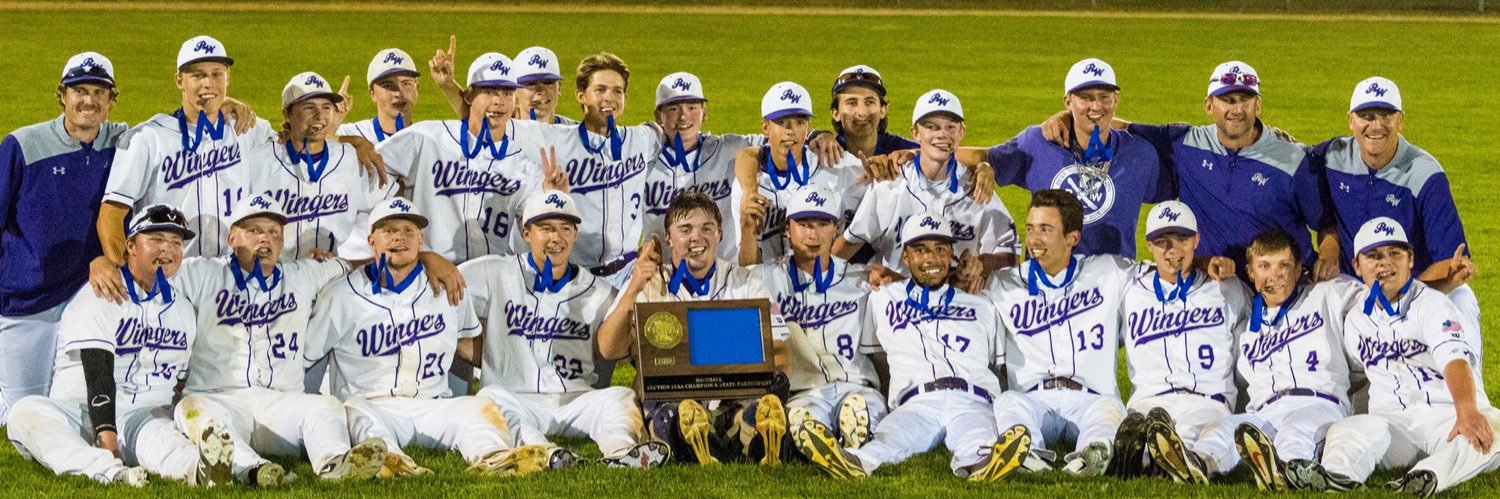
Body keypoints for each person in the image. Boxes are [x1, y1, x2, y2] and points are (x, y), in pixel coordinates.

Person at [169, 194, 411, 485]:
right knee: (192, 409)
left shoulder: (303, 275)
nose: (265, 239)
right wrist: (103, 265)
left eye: (274, 232)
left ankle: (336, 464)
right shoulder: (201, 273)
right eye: (254, 231)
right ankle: (254, 470)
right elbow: (144, 272)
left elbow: (356, 265)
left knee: (325, 406)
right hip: (219, 400)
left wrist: (431, 260)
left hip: (280, 403)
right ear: (232, 238)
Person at [304, 197, 557, 476]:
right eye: (388, 230)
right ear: (371, 240)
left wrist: (525, 367)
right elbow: (308, 357)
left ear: (421, 239)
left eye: (409, 230)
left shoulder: (449, 286)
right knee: (354, 411)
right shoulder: (339, 295)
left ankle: (494, 458)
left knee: (477, 408)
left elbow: (467, 345)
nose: (400, 236)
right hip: (372, 406)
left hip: (434, 405)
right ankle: (392, 463)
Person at [7, 205, 232, 487]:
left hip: (142, 417)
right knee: (25, 412)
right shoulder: (102, 291)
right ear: (131, 245)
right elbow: (97, 373)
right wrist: (108, 441)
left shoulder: (184, 310)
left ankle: (201, 470)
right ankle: (109, 470)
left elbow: (179, 379)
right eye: (157, 239)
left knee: (163, 440)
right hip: (81, 415)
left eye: (176, 242)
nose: (168, 249)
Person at [793, 211, 1028, 481]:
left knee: (979, 442)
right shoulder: (882, 299)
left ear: (952, 253)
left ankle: (986, 465)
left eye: (940, 249)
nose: (931, 258)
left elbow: (998, 365)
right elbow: (877, 356)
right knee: (885, 442)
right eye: (920, 250)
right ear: (906, 257)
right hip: (916, 403)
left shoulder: (981, 304)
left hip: (973, 400)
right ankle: (847, 461)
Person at [1041, 61, 1325, 271]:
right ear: (1209, 106)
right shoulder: (1185, 142)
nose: (1236, 109)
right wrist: (1067, 117)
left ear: (1258, 106)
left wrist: (1328, 259)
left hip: (1281, 285)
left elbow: (1327, 224)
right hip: (1217, 281)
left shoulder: (1292, 159)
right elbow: (1120, 125)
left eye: (1245, 100)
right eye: (1227, 100)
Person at [1289, 218, 1499, 496]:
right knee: (1347, 429)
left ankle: (1428, 476)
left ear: (1410, 259)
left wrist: (1467, 410)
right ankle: (1337, 475)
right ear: (1356, 266)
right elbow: (1355, 376)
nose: (1385, 263)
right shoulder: (1355, 320)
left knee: (1491, 433)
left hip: (1447, 417)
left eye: (1395, 254)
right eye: (1374, 256)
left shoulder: (1433, 303)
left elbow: (1454, 360)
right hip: (1392, 427)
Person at [463, 189, 670, 469]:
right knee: (490, 398)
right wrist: (431, 260)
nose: (556, 238)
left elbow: (615, 349)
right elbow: (439, 287)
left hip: (577, 401)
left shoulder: (601, 292)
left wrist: (634, 286)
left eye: (565, 229)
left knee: (619, 396)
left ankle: (622, 453)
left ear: (574, 235)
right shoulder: (494, 272)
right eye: (545, 228)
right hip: (513, 396)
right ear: (526, 233)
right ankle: (545, 453)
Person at [596, 192, 789, 467]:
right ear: (668, 238)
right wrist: (634, 288)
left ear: (720, 234)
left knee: (753, 412)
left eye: (706, 229)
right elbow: (608, 348)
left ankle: (748, 434)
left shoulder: (746, 282)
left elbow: (780, 348)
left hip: (730, 401)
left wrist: (779, 386)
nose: (696, 238)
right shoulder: (647, 282)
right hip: (669, 401)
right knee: (671, 415)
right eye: (685, 230)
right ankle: (706, 439)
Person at [921, 58, 1170, 258]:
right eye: (1085, 97)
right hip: (1045, 285)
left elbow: (1183, 184)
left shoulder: (1140, 155)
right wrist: (915, 153)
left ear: (1117, 99)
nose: (1096, 106)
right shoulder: (1039, 143)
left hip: (1111, 287)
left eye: (1104, 96)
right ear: (1067, 101)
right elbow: (983, 155)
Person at [0, 52, 127, 424]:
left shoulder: (125, 142)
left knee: (83, 412)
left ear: (111, 101)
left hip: (84, 298)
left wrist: (228, 105)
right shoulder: (23, 145)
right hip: (27, 305)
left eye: (99, 92)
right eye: (79, 90)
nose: (89, 100)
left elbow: (175, 125)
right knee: (20, 414)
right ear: (62, 95)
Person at [1187, 229, 1360, 491]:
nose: (1275, 276)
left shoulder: (1326, 295)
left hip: (1318, 403)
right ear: (1250, 272)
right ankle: (1198, 463)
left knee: (1296, 435)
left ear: (1298, 268)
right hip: (1266, 412)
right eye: (1264, 266)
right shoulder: (1247, 330)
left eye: (1284, 266)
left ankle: (1284, 470)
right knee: (1224, 429)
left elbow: (1378, 300)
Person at [984, 189, 1135, 477]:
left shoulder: (1109, 272)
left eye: (1045, 229)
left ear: (1072, 238)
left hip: (1092, 398)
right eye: (1030, 228)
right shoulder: (1003, 284)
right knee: (1007, 402)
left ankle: (1093, 452)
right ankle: (1028, 453)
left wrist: (1206, 265)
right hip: (1034, 399)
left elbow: (1162, 272)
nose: (1034, 239)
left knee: (1110, 410)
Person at [1308, 77, 1478, 330]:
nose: (1376, 125)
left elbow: (1449, 260)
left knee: (1461, 300)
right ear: (1351, 120)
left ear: (1401, 120)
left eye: (1386, 116)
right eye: (1366, 115)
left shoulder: (1424, 174)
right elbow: (1289, 160)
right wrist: (1329, 252)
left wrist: (1405, 296)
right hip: (1354, 288)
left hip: (1420, 285)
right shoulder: (1332, 157)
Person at [97, 35, 279, 259]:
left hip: (233, 277)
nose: (208, 83)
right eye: (198, 75)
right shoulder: (147, 138)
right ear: (179, 80)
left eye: (216, 74)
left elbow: (305, 143)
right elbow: (111, 216)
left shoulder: (249, 129)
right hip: (171, 275)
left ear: (227, 77)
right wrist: (128, 273)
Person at [374, 52, 566, 263]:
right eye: (489, 92)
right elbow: (370, 164)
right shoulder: (427, 138)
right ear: (468, 96)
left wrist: (551, 198)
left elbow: (539, 228)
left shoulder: (524, 168)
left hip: (491, 279)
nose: (499, 102)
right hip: (429, 273)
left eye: (507, 93)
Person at [1114, 201, 1251, 483]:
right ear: (1148, 245)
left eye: (1182, 239)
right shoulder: (1129, 289)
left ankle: (1184, 461)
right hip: (1147, 402)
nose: (1172, 249)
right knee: (1141, 427)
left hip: (1206, 401)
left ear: (1197, 241)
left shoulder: (1227, 288)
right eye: (1162, 241)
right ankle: (1156, 457)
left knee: (1216, 433)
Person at [749, 186, 887, 450]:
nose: (813, 234)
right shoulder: (764, 279)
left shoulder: (861, 280)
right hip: (804, 393)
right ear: (787, 230)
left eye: (823, 224)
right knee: (801, 422)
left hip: (858, 387)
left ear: (835, 229)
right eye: (804, 224)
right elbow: (721, 280)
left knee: (861, 412)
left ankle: (852, 435)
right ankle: (836, 442)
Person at [837, 89, 1017, 279]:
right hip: (896, 303)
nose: (941, 134)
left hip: (956, 303)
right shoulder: (890, 187)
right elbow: (848, 244)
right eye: (931, 127)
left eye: (950, 127)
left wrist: (983, 263)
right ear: (915, 133)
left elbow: (1011, 255)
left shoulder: (977, 189)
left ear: (961, 132)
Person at [261, 71, 396, 259]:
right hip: (277, 275)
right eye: (309, 107)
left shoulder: (351, 159)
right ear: (287, 114)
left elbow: (392, 197)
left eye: (326, 107)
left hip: (332, 273)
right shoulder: (261, 160)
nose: (319, 115)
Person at [734, 82, 865, 266]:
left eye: (799, 122)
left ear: (808, 127)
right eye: (781, 122)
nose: (791, 131)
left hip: (824, 284)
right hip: (768, 286)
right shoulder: (749, 182)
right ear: (765, 127)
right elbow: (748, 267)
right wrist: (747, 227)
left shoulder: (835, 165)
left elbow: (880, 198)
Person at [640, 72, 761, 262]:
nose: (683, 116)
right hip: (666, 276)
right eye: (673, 108)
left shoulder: (727, 149)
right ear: (658, 115)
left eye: (692, 107)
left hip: (724, 275)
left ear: (705, 112)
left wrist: (817, 136)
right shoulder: (642, 160)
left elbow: (779, 140)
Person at [337, 48, 422, 144]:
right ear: (372, 93)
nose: (398, 93)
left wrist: (443, 87)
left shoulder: (428, 140)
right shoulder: (349, 135)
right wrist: (332, 123)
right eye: (388, 85)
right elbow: (319, 146)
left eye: (406, 84)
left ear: (417, 88)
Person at [513, 46, 579, 125]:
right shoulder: (499, 133)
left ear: (559, 88)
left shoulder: (577, 134)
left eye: (548, 82)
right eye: (531, 84)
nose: (541, 90)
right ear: (514, 92)